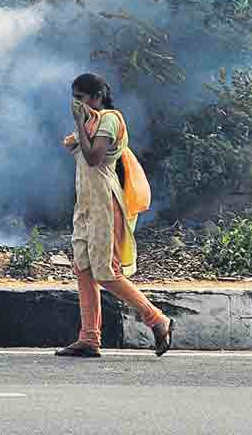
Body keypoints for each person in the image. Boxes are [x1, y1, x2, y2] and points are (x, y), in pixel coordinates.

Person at [57, 73, 173, 357]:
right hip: (86, 206)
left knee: (107, 273)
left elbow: (93, 157)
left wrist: (80, 126)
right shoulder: (92, 122)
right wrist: (82, 126)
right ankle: (89, 338)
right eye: (74, 98)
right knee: (83, 270)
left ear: (96, 96)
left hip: (105, 206)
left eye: (81, 98)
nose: (77, 104)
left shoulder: (110, 119)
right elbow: (72, 146)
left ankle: (157, 319)